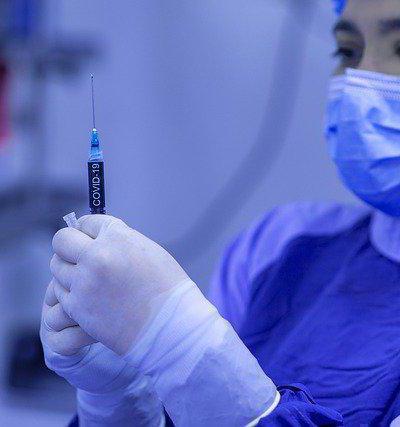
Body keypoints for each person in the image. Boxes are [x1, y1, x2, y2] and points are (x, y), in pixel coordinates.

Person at [40, 0, 400, 425]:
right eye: (348, 52)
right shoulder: (280, 247)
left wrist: (180, 343)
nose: (362, 79)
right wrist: (120, 401)